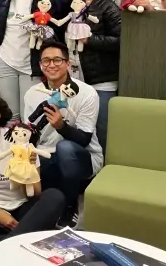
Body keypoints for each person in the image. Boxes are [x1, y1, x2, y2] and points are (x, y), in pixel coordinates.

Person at [0, 88, 65, 261]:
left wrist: (26, 170)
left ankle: (3, 249)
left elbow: (36, 192)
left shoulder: (20, 138)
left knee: (55, 196)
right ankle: (26, 242)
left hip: (23, 206)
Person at [23, 41, 103, 228]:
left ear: (68, 64)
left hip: (82, 157)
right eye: (46, 61)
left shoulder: (86, 93)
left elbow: (84, 139)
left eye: (57, 60)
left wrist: (61, 126)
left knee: (65, 148)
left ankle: (70, 205)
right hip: (47, 154)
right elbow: (31, 132)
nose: (51, 65)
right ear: (41, 66)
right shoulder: (32, 93)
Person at [65, 0, 121, 154]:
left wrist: (90, 39)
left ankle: (104, 172)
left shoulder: (107, 6)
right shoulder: (69, 8)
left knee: (102, 130)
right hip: (74, 79)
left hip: (102, 80)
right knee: (77, 128)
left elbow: (121, 41)